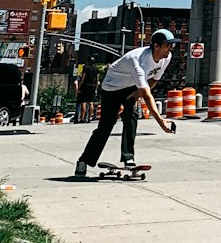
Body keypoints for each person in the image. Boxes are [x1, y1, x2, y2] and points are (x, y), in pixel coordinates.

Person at [75, 30, 178, 177]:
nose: (171, 49)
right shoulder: (137, 60)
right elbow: (147, 95)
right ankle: (84, 161)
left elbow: (154, 79)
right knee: (106, 126)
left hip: (132, 86)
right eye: (168, 45)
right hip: (112, 88)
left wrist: (135, 94)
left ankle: (128, 157)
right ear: (156, 46)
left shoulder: (166, 58)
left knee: (131, 116)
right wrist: (160, 121)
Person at [75, 57, 99, 125]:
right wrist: (96, 87)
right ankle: (89, 118)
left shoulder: (85, 68)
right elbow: (97, 79)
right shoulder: (96, 69)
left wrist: (79, 86)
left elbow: (83, 78)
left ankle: (82, 118)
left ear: (88, 61)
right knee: (91, 102)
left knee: (84, 102)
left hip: (85, 85)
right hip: (92, 86)